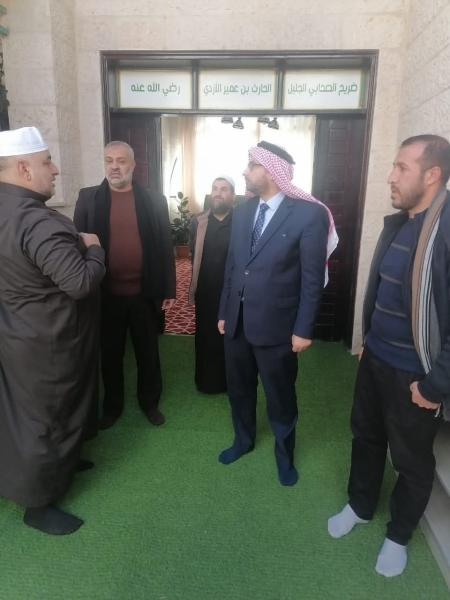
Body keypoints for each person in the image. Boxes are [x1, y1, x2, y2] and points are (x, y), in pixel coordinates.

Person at [328, 135, 450, 578]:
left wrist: (435, 386)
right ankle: (360, 506)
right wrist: (367, 342)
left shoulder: (446, 231)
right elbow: (381, 294)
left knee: (411, 460)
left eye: (401, 168)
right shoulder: (398, 223)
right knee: (365, 436)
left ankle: (398, 535)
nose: (390, 177)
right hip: (376, 359)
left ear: (432, 174)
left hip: (416, 376)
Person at [0, 126, 105, 535]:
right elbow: (79, 282)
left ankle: (62, 466)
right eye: (47, 162)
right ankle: (38, 504)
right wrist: (94, 248)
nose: (56, 169)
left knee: (37, 415)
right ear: (24, 169)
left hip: (21, 334)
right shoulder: (35, 221)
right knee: (46, 420)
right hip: (50, 343)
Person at [218, 141, 338, 486]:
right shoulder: (243, 211)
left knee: (280, 396)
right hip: (237, 323)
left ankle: (285, 456)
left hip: (279, 327)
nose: (245, 171)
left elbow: (312, 280)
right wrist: (225, 311)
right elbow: (233, 266)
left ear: (272, 171)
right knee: (239, 389)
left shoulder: (309, 215)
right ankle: (243, 440)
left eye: (252, 165)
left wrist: (304, 329)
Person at [73, 141, 176, 430]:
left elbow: (164, 246)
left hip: (145, 293)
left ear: (132, 165)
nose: (114, 167)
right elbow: (75, 243)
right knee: (111, 354)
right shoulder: (88, 197)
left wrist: (169, 289)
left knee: (148, 353)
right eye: (109, 161)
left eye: (120, 161)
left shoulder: (154, 200)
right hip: (104, 295)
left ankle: (149, 402)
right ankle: (112, 406)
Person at [189, 176, 236, 394]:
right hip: (205, 291)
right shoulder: (198, 221)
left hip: (233, 293)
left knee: (230, 337)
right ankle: (205, 381)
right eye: (215, 188)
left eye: (224, 189)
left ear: (233, 196)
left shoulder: (241, 221)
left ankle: (229, 381)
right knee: (205, 336)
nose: (218, 193)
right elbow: (193, 252)